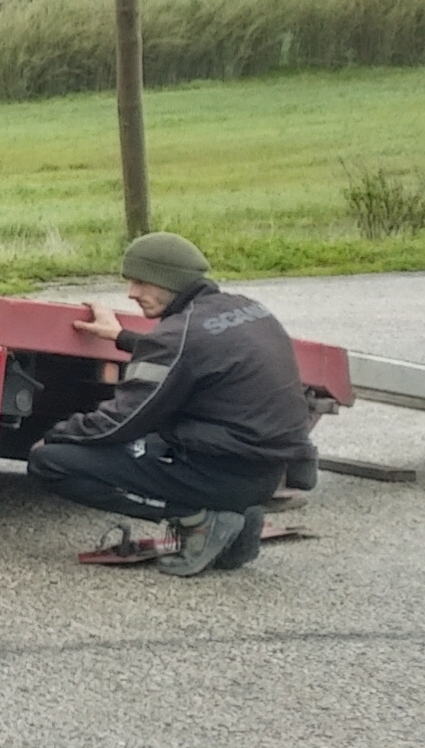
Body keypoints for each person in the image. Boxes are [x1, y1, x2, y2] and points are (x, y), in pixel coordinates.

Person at [38, 231, 315, 576]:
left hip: (222, 471)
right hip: (263, 469)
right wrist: (123, 337)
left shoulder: (177, 336)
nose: (131, 293)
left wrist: (55, 435)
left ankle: (198, 517)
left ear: (170, 279)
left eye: (142, 282)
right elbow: (195, 353)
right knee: (158, 432)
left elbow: (122, 422)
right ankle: (238, 513)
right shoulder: (245, 309)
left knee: (52, 462)